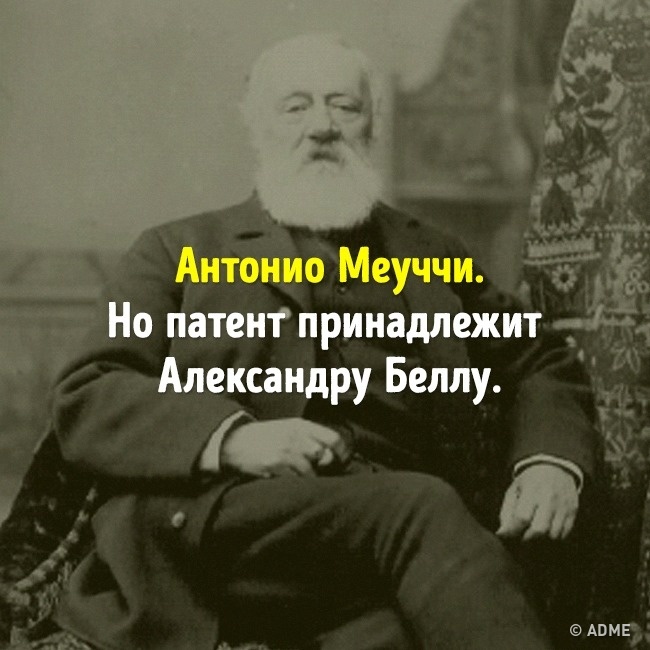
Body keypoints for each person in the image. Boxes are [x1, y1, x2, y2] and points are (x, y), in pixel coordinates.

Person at [51, 34, 598, 650]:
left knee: (398, 634)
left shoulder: (431, 253)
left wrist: (550, 462)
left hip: (366, 559)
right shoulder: (177, 249)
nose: (322, 127)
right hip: (223, 525)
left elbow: (537, 357)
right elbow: (91, 392)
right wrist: (235, 439)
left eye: (344, 106)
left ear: (372, 126)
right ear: (257, 126)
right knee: (421, 505)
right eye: (296, 107)